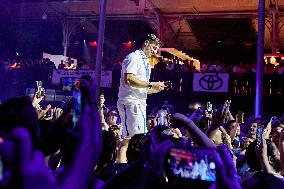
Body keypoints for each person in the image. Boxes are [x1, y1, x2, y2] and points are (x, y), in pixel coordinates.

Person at [116, 34, 166, 163]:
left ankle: (126, 167)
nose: (155, 52)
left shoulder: (147, 63)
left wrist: (156, 89)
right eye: (154, 47)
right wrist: (151, 84)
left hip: (139, 103)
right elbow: (129, 79)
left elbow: (140, 87)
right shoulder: (134, 57)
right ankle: (120, 168)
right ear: (146, 43)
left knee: (134, 139)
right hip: (130, 102)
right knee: (130, 140)